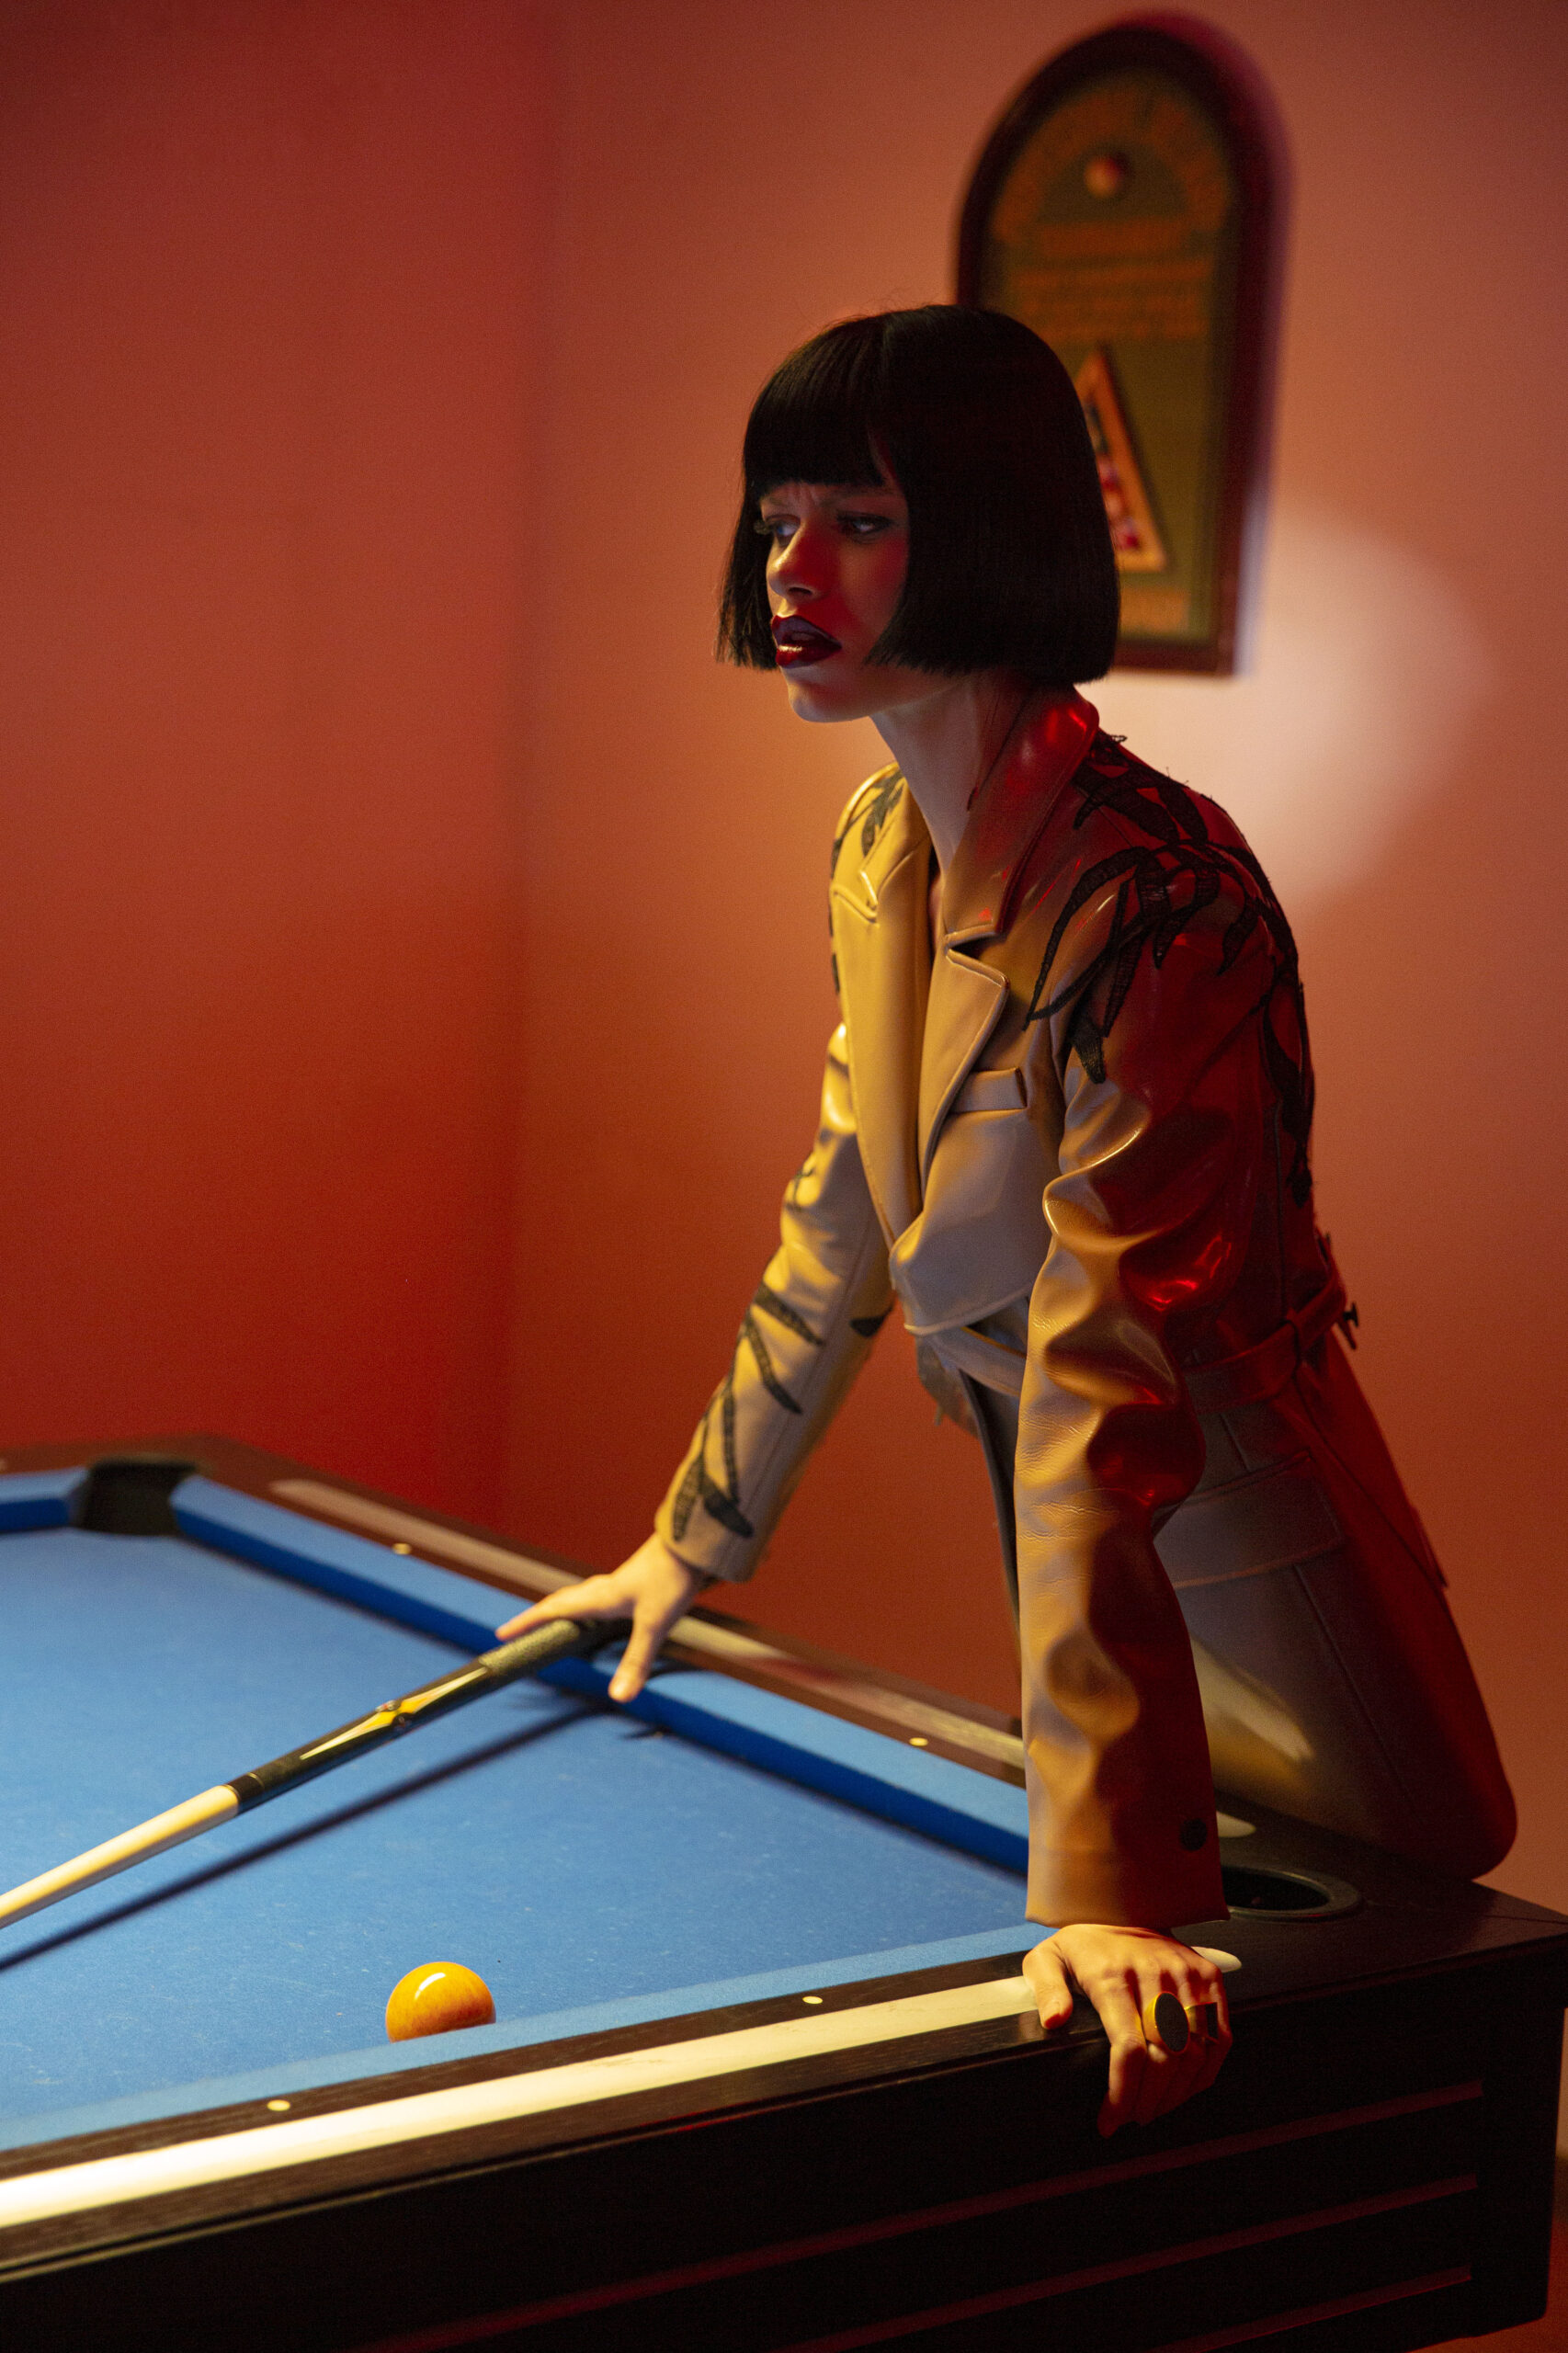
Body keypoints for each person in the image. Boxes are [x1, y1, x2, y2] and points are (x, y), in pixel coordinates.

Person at [500, 306, 1515, 2136]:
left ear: (987, 528)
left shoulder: (1162, 899)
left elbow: (1105, 1357)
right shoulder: (879, 851)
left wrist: (1104, 1885)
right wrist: (687, 1547)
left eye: (862, 519)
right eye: (777, 514)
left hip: (1249, 1554)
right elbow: (841, 1219)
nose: (793, 567)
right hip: (1078, 1536)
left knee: (1401, 1921)